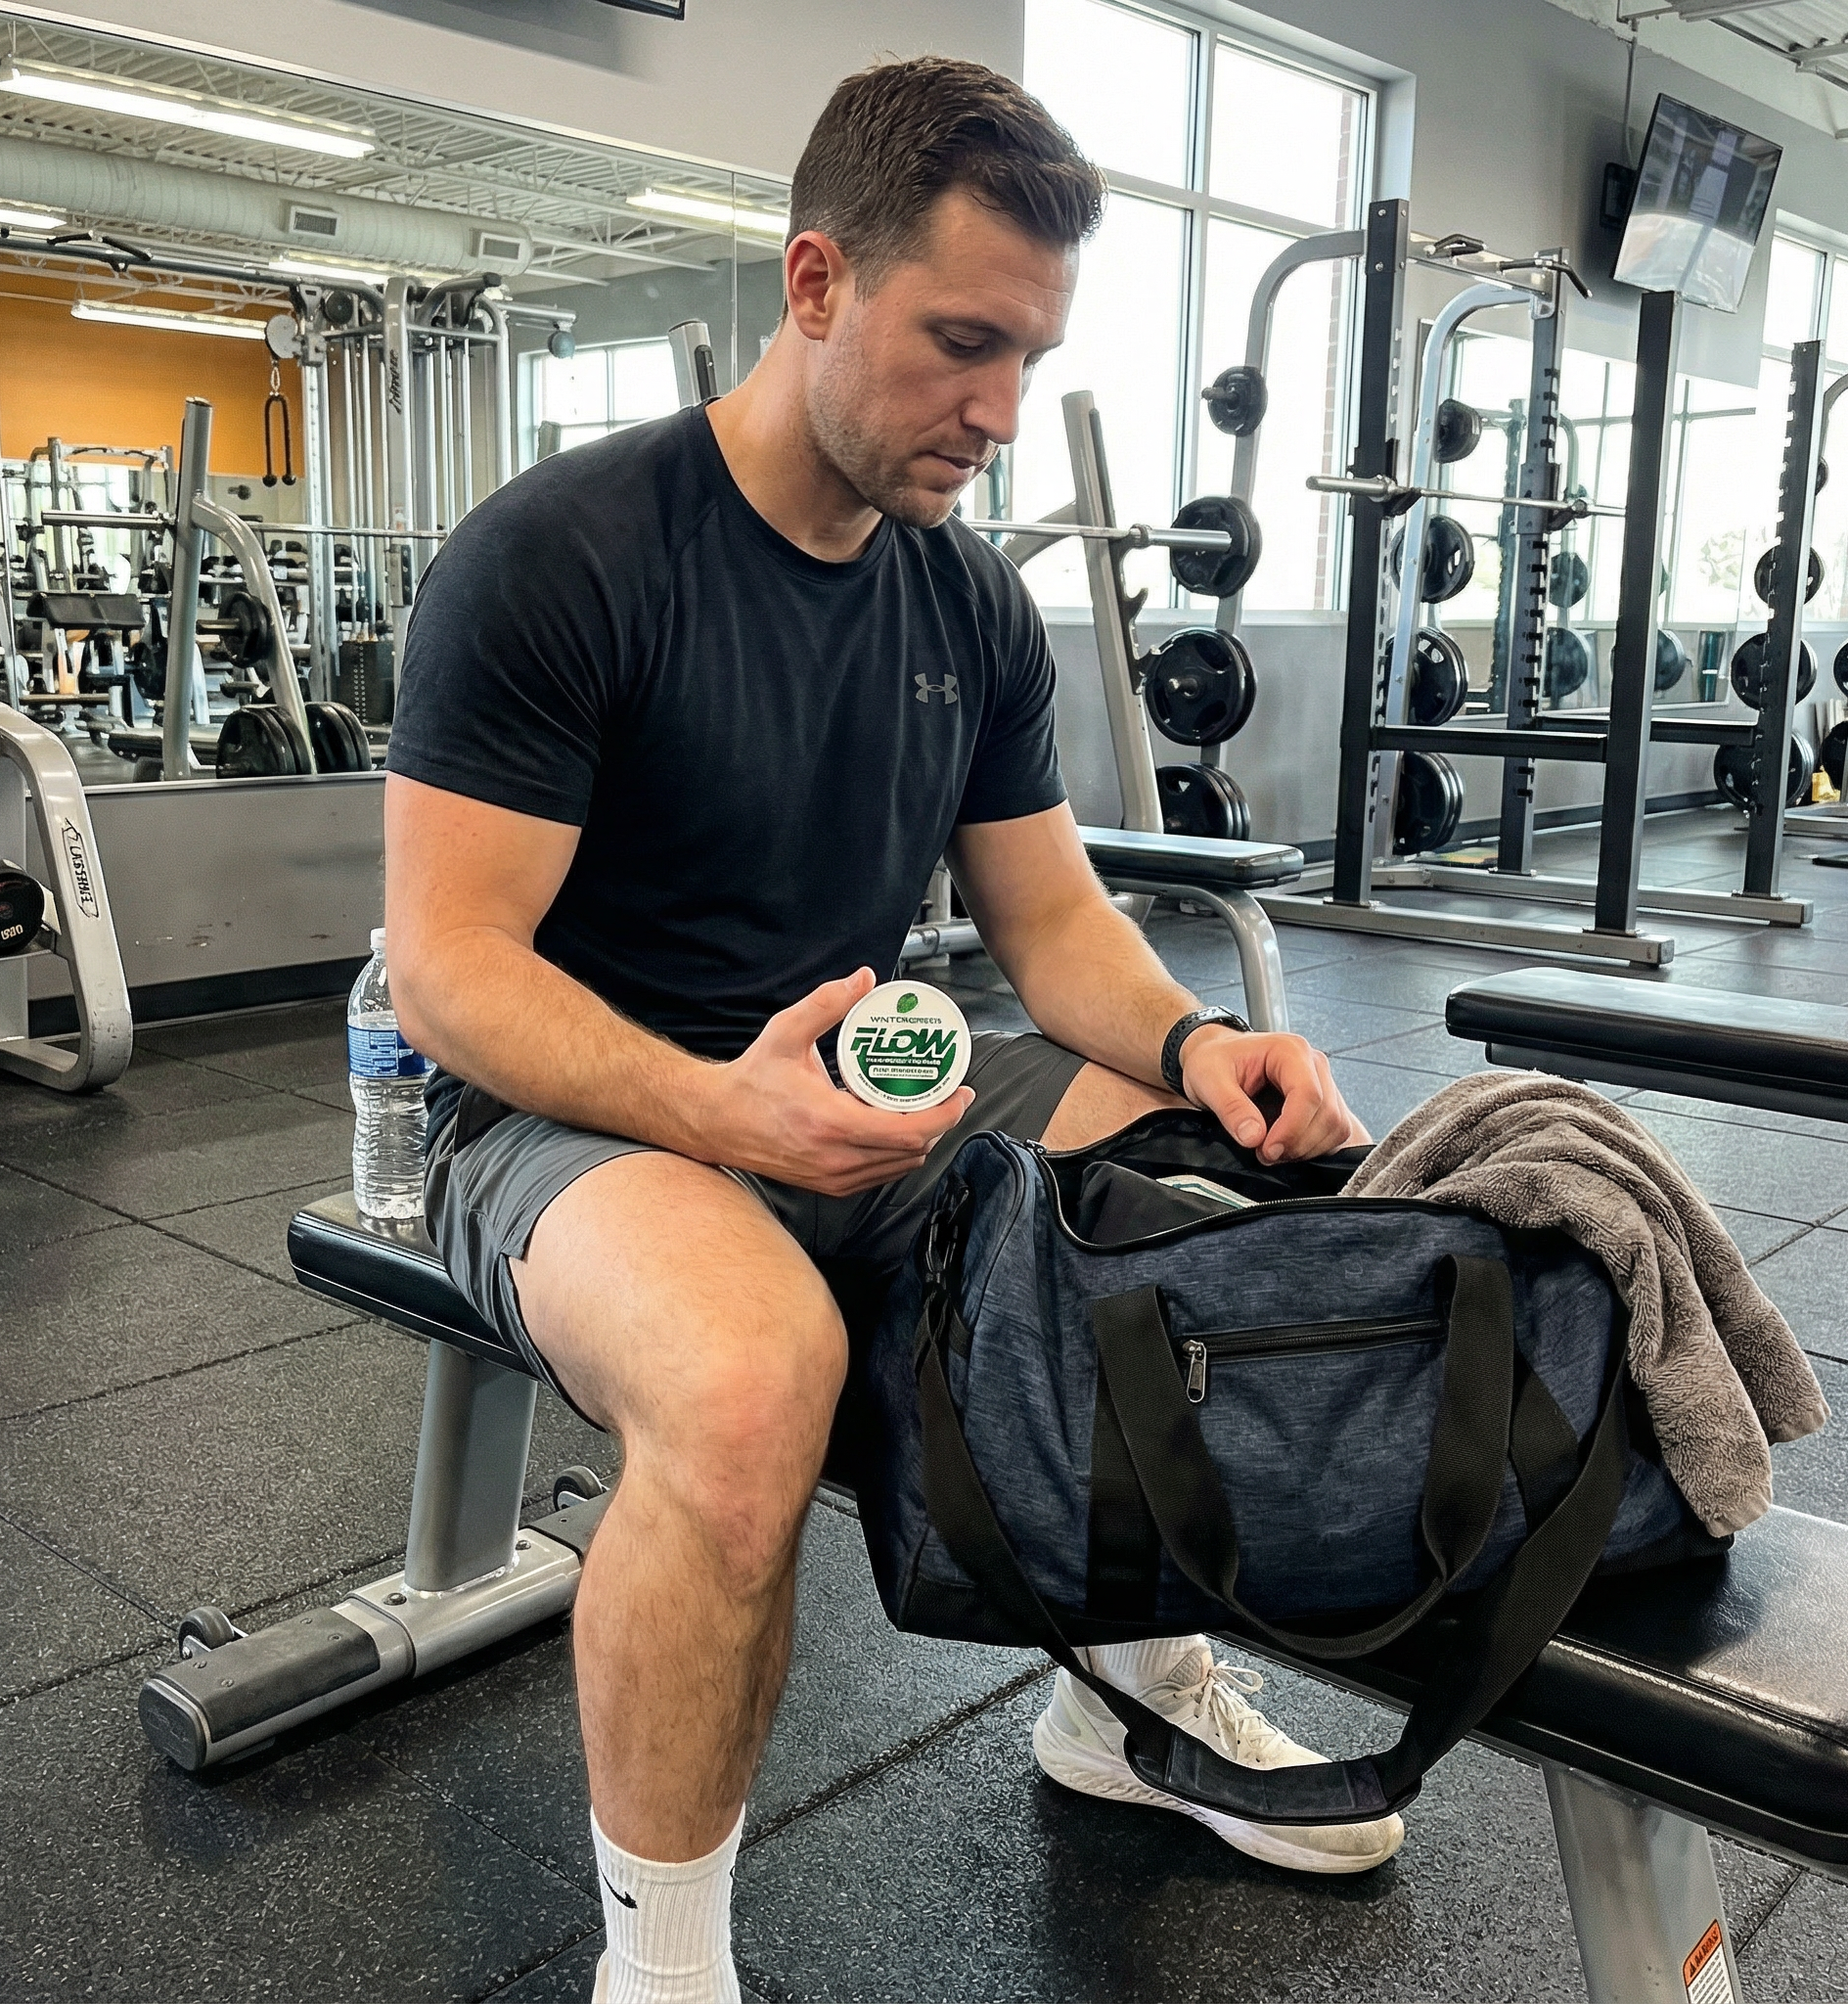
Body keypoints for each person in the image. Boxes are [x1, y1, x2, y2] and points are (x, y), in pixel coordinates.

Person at [385, 55, 1395, 2004]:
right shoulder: (567, 555)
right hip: (577, 1119)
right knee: (757, 1383)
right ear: (820, 281)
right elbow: (450, 971)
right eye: (960, 344)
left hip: (854, 1101)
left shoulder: (963, 604)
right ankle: (663, 1969)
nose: (997, 414)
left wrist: (1199, 1054)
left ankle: (1121, 1701)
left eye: (1029, 357)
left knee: (1188, 1210)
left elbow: (1050, 920)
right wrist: (717, 1111)